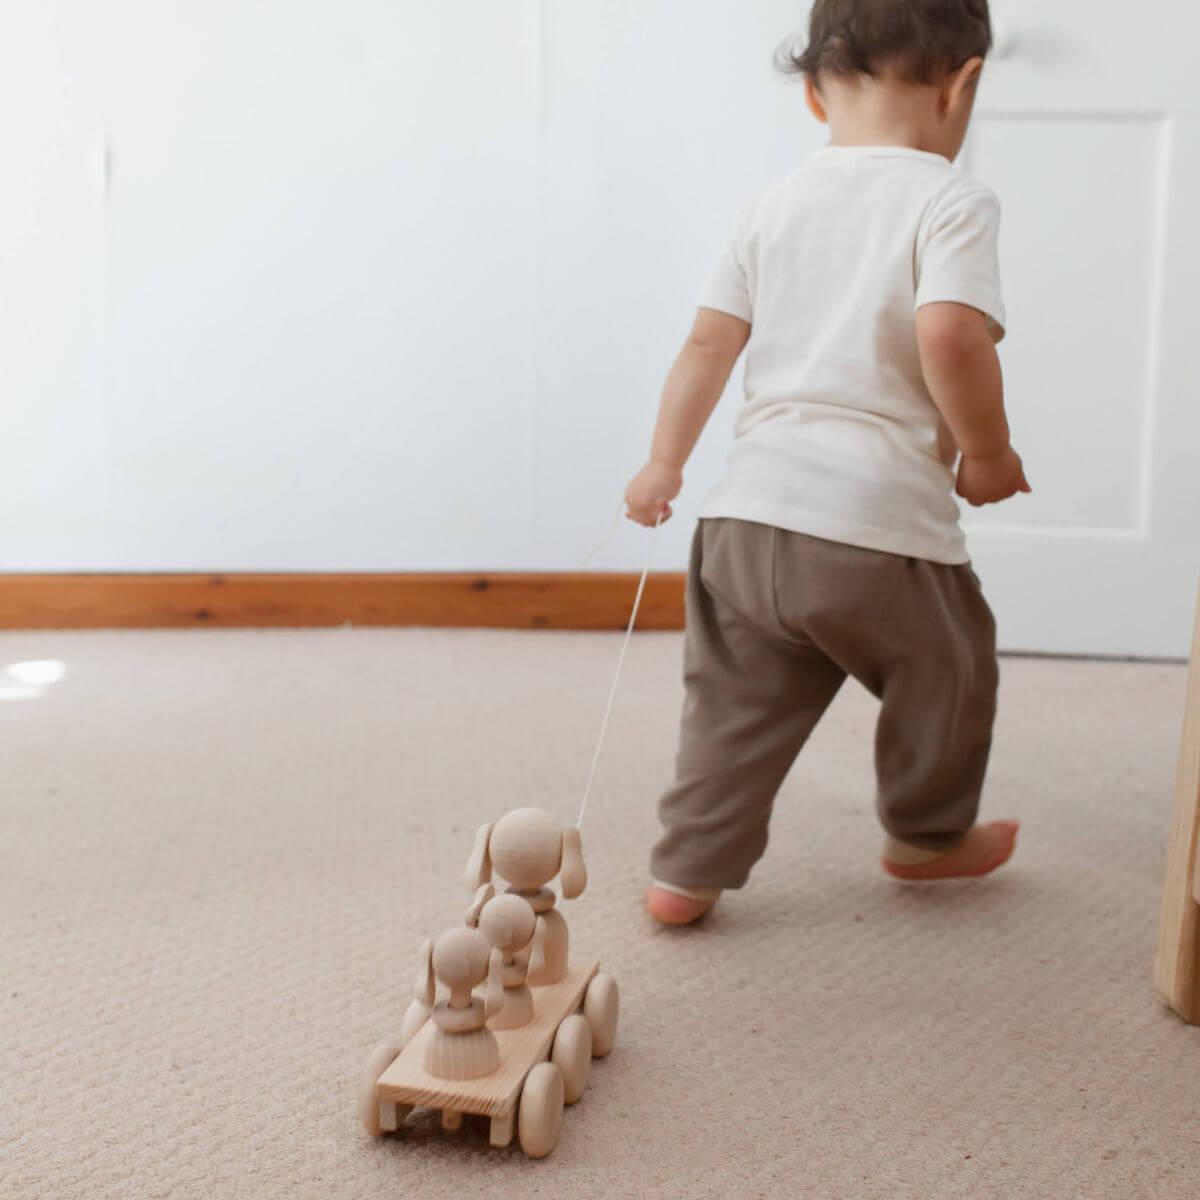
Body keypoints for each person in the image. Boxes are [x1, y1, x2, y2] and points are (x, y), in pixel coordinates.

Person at [624, 0, 1027, 925]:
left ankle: (685, 871)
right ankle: (926, 836)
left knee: (731, 707)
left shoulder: (771, 205)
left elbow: (705, 348)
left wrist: (662, 465)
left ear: (813, 93)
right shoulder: (949, 197)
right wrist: (988, 453)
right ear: (964, 84)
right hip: (874, 529)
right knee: (950, 670)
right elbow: (953, 337)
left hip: (742, 520)